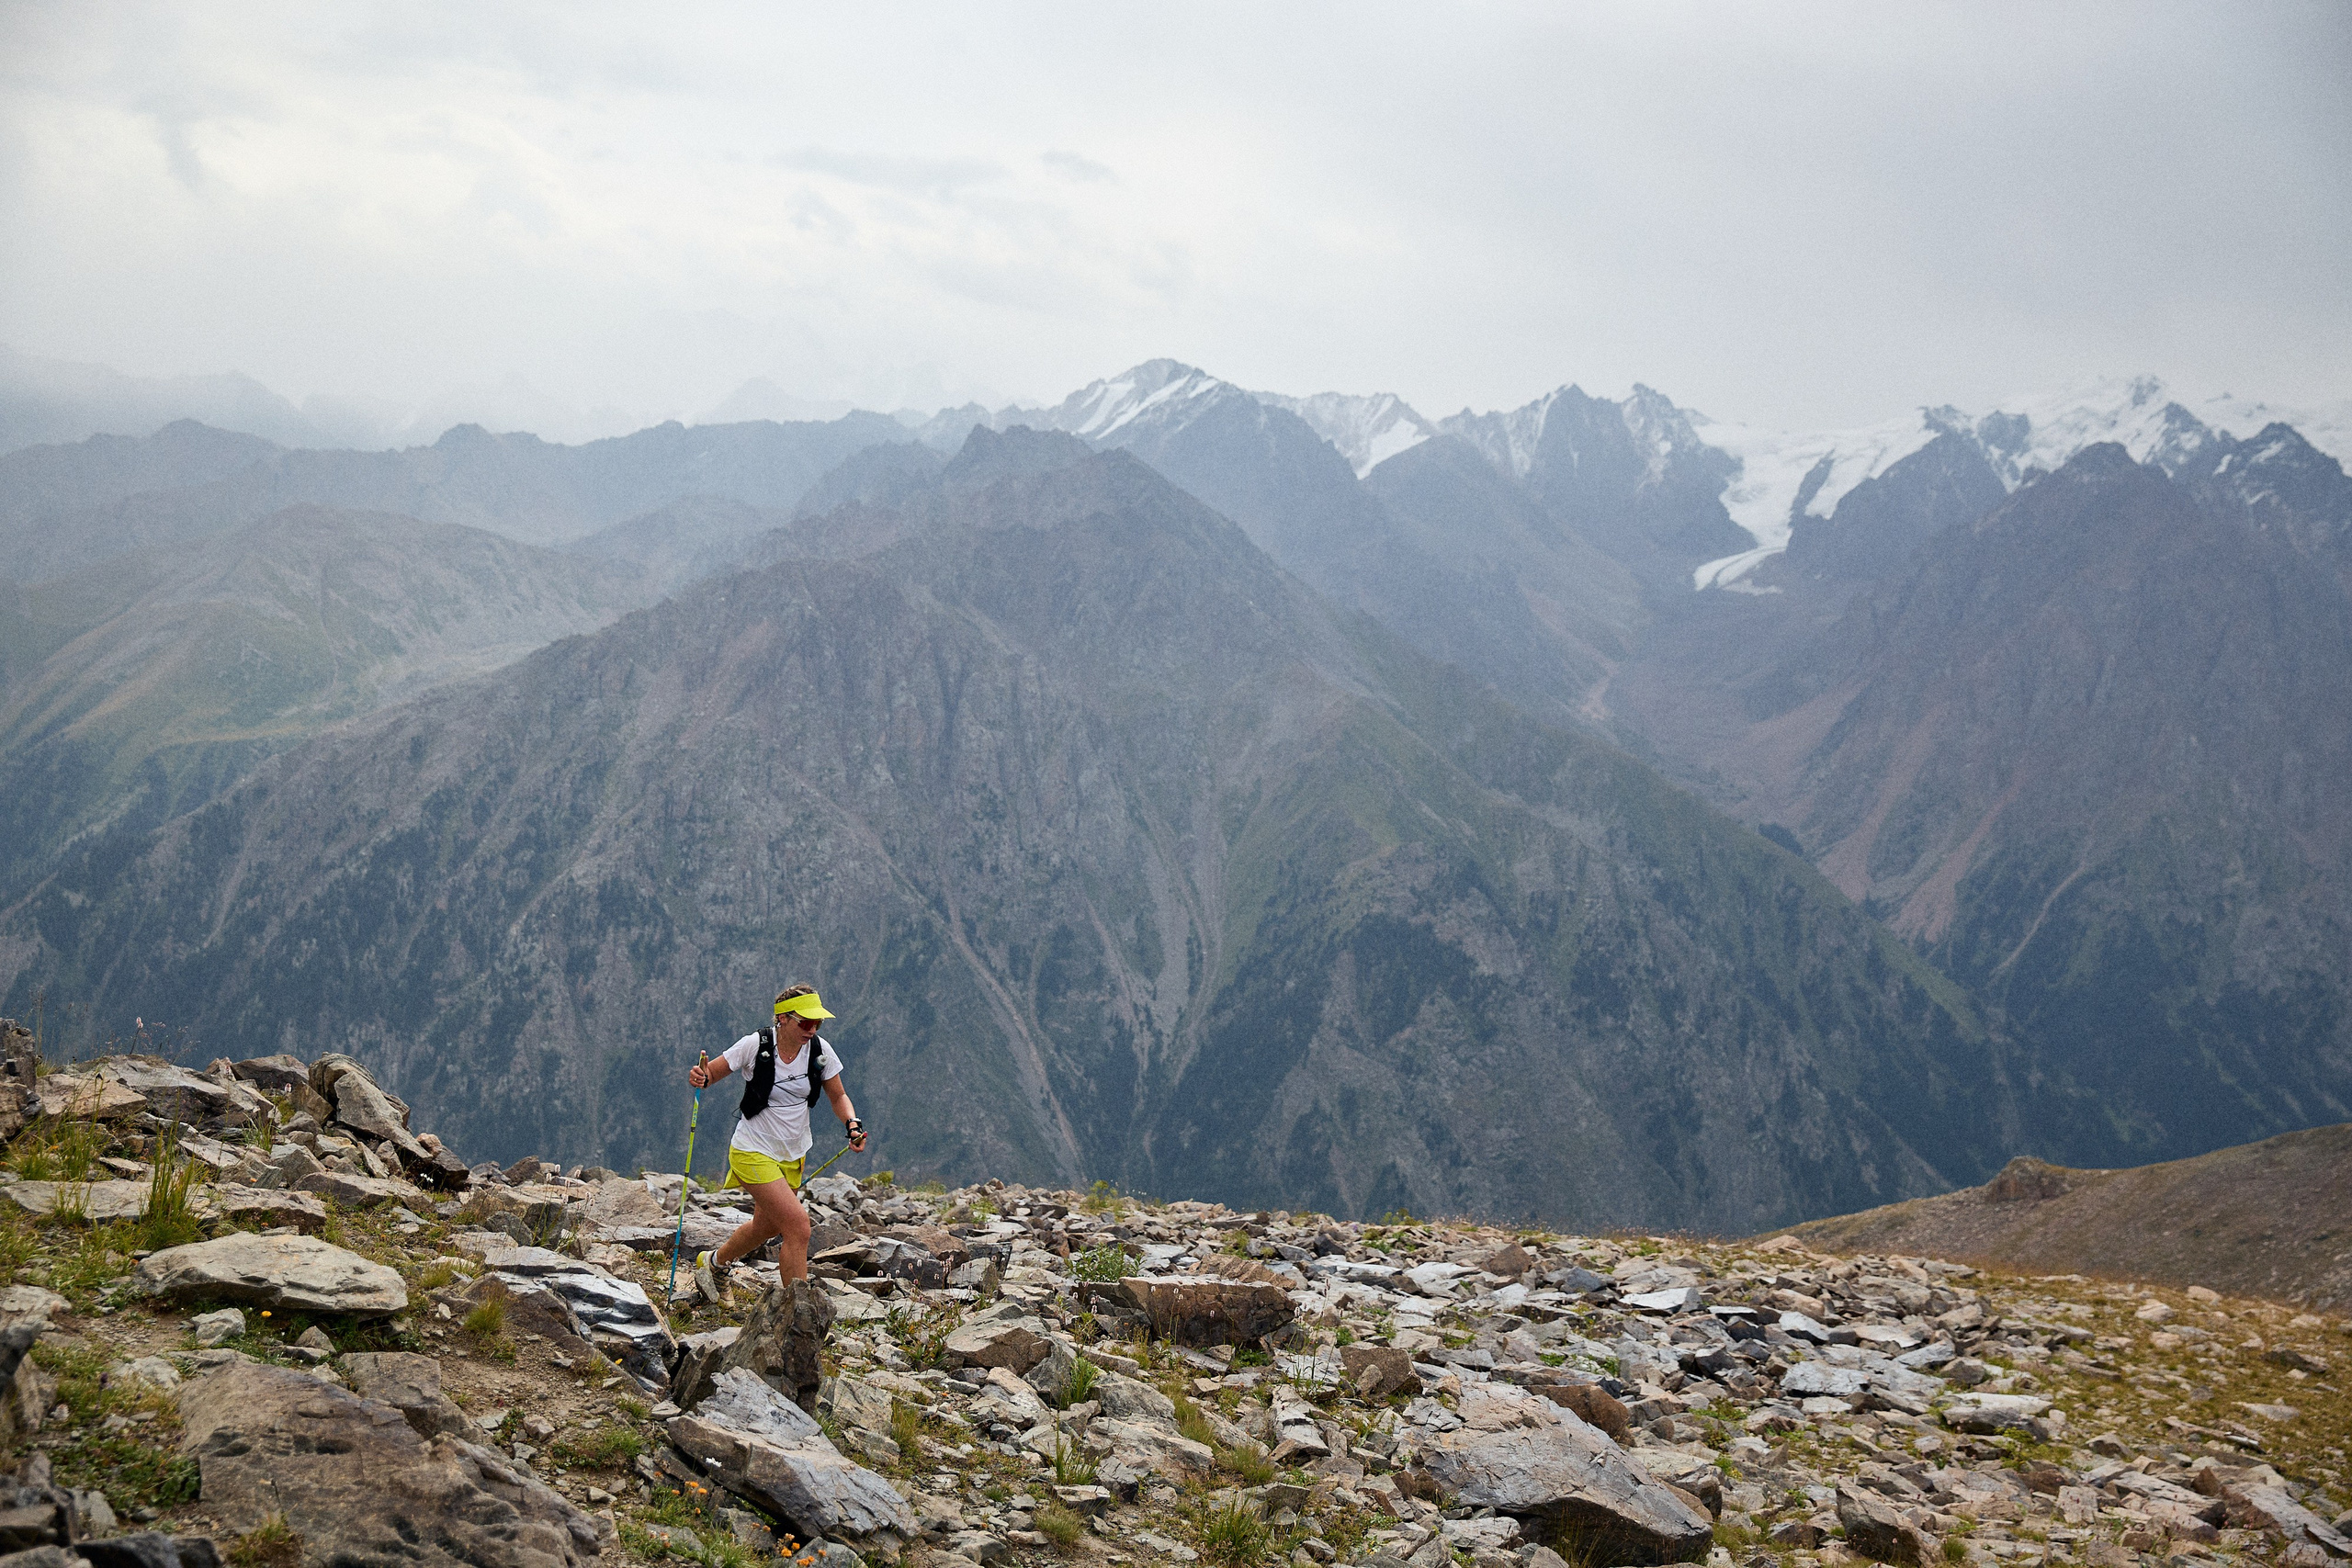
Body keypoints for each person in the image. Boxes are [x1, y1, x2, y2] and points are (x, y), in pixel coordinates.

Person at [685, 984, 866, 1300]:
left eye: (818, 1023)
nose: (812, 1030)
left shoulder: (821, 1052)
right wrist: (701, 1077)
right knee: (798, 1227)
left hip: (793, 1154)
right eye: (805, 1022)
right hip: (751, 1150)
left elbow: (838, 1095)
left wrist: (852, 1123)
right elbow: (710, 1073)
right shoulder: (754, 1045)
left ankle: (714, 1263)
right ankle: (800, 1312)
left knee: (765, 1228)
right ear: (782, 1019)